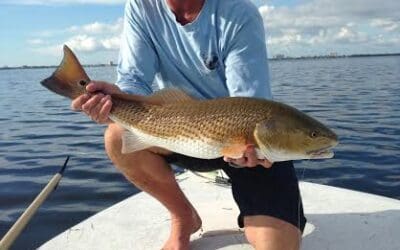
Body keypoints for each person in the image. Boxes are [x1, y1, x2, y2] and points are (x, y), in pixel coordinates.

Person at [72, 0, 306, 249]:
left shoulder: (239, 12)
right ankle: (183, 217)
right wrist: (113, 102)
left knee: (278, 246)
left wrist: (254, 149)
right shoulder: (142, 5)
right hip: (179, 133)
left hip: (242, 142)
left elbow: (249, 102)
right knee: (117, 136)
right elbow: (134, 79)